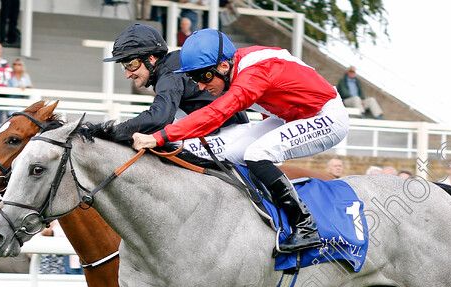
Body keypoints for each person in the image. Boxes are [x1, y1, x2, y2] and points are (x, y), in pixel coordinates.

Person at [131, 29, 351, 253]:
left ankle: (306, 227)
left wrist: (159, 137)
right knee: (232, 154)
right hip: (290, 115)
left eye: (203, 77)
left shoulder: (253, 73)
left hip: (326, 116)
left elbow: (216, 114)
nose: (200, 86)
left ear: (224, 67)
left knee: (257, 154)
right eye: (193, 78)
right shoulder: (236, 64)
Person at [94, 24, 249, 163]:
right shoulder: (168, 70)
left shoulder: (169, 73)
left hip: (231, 134)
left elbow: (159, 118)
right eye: (124, 66)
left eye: (132, 64)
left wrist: (108, 132)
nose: (128, 74)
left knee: (166, 154)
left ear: (151, 58)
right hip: (217, 133)